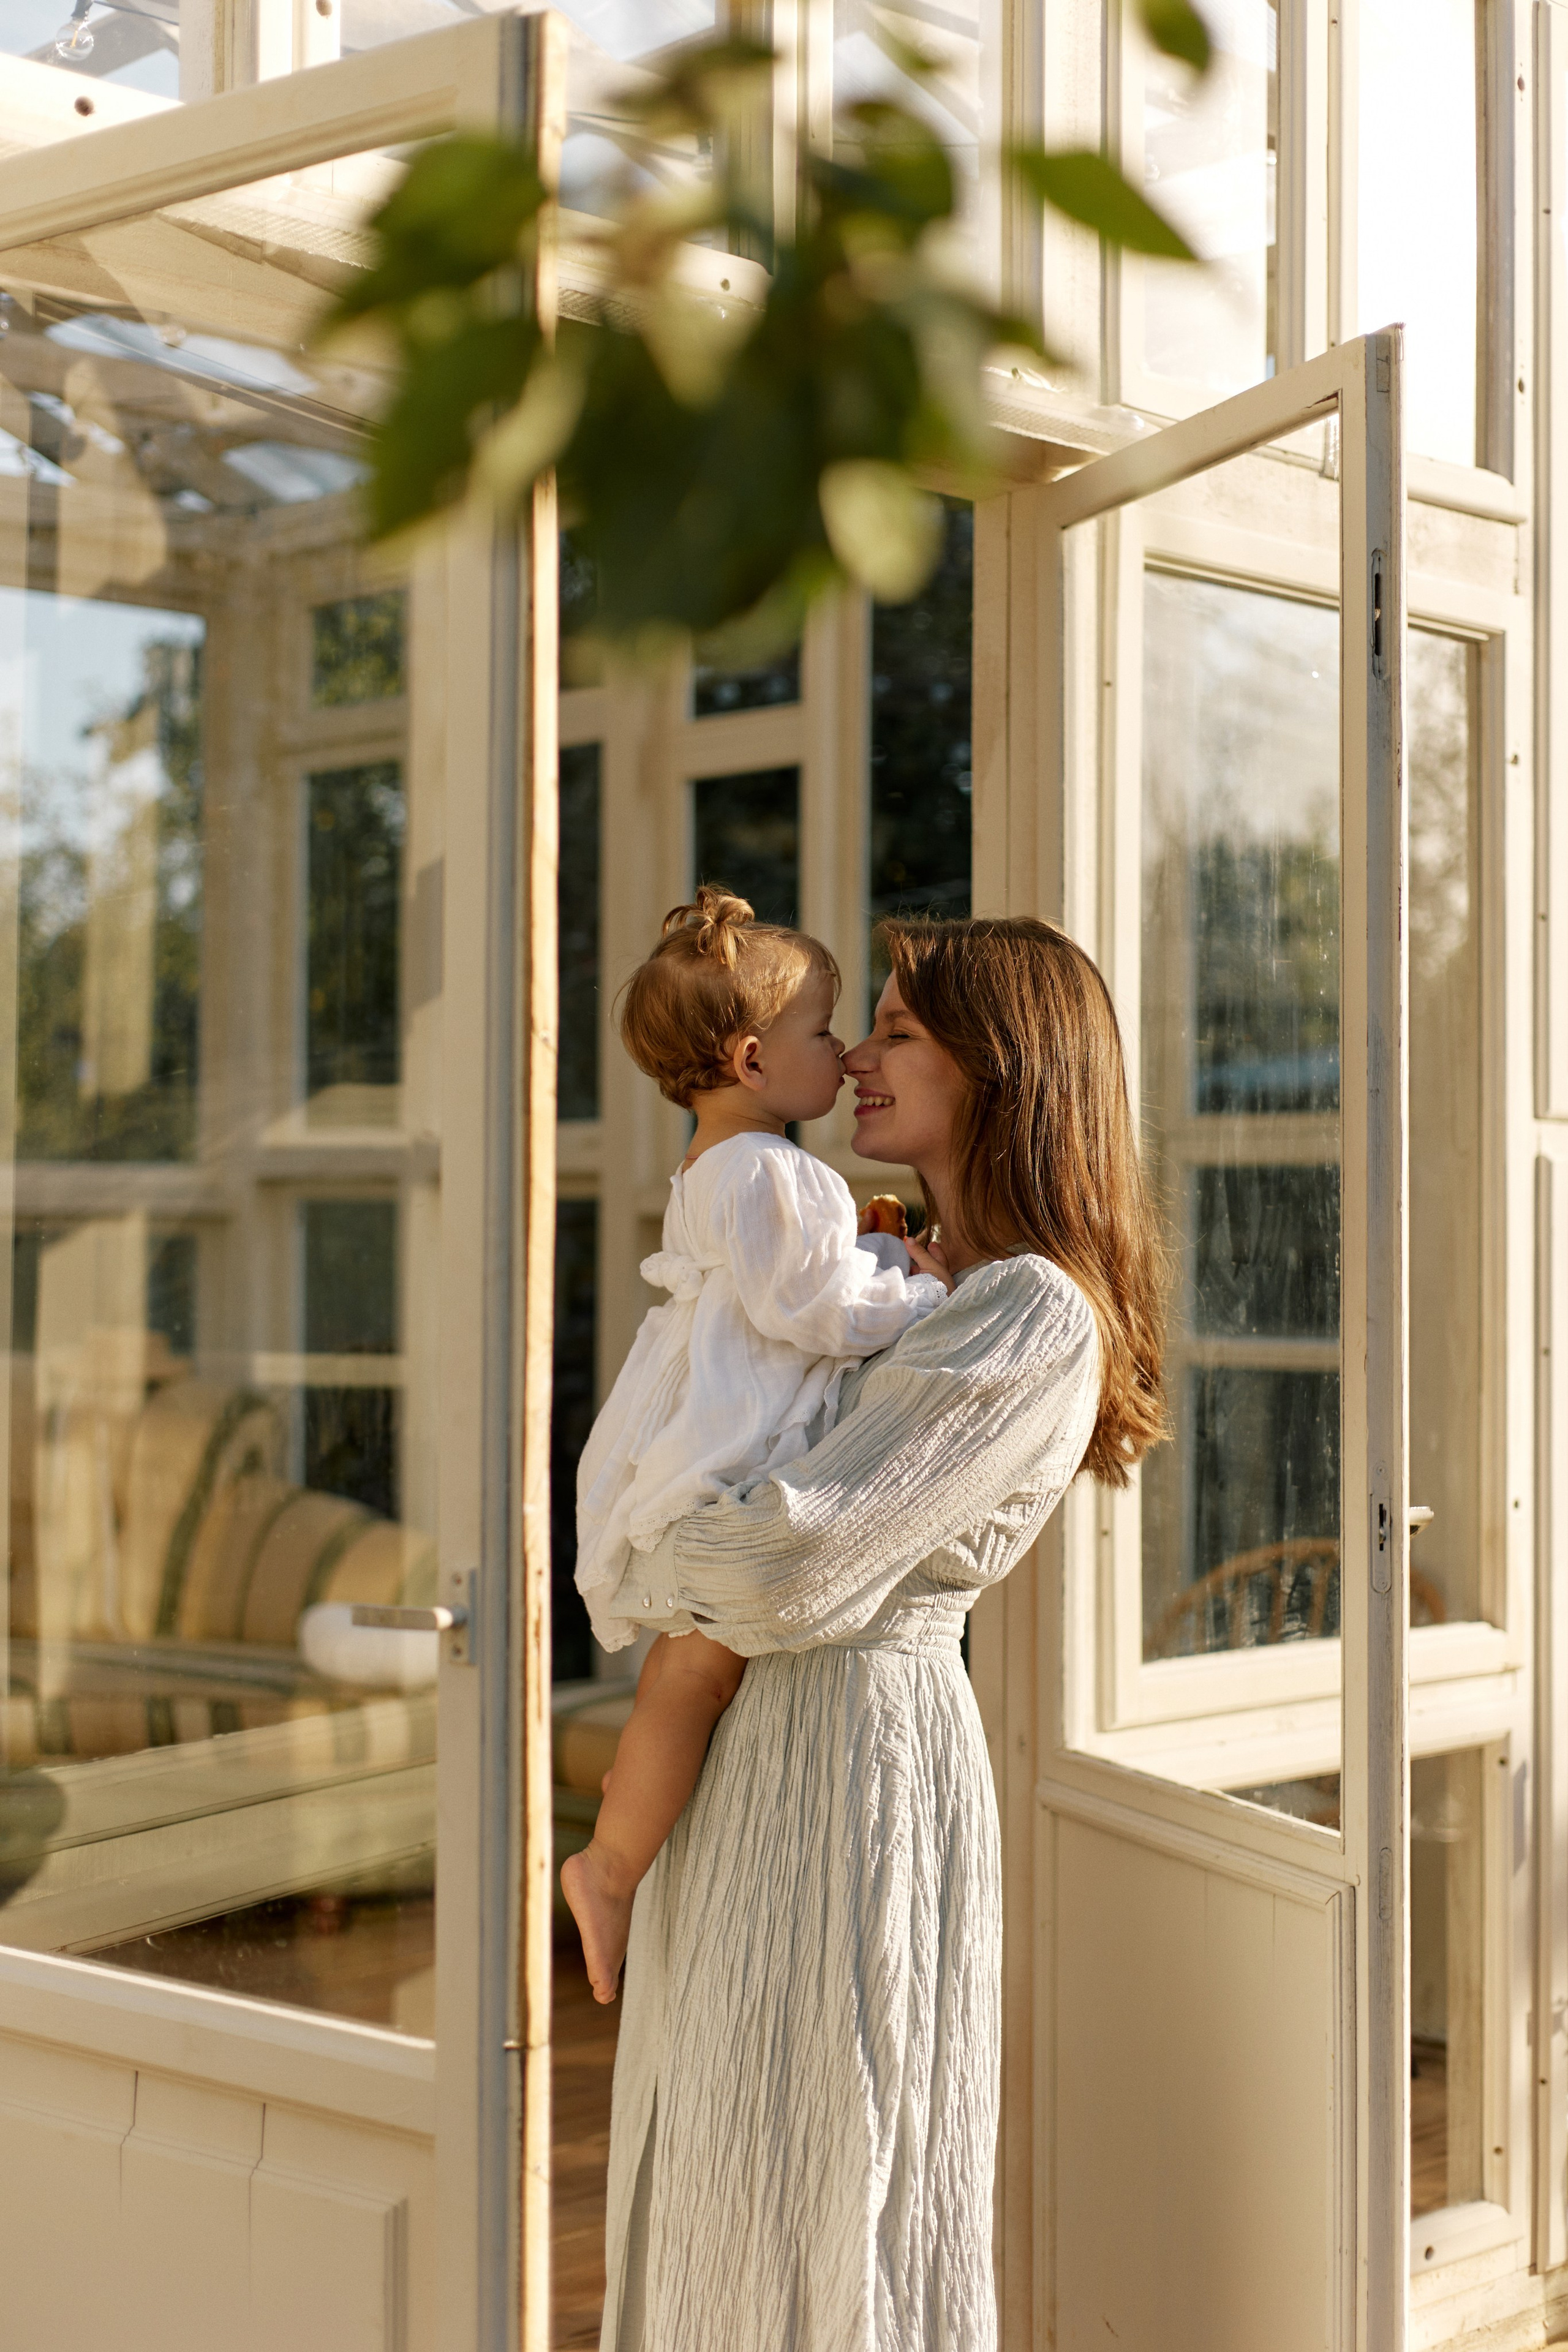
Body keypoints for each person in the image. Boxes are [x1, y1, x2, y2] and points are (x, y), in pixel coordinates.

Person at [594, 914, 1168, 2352]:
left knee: (830, 2188)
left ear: (1003, 1070)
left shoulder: (1028, 1311)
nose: (854, 1053)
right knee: (716, 2171)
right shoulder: (900, 1274)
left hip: (853, 1767)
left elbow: (787, 1562)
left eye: (899, 1031)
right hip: (746, 1759)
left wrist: (640, 1545)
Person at [563, 887, 953, 2002]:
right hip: (734, 1455)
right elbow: (817, 1313)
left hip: (710, 1435)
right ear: (750, 1059)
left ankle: (613, 1863)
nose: (844, 1053)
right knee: (693, 1677)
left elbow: (795, 1290)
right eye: (825, 1033)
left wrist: (872, 1253)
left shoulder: (719, 1168)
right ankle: (610, 1866)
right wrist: (921, 1287)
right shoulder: (771, 1171)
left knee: (685, 1680)